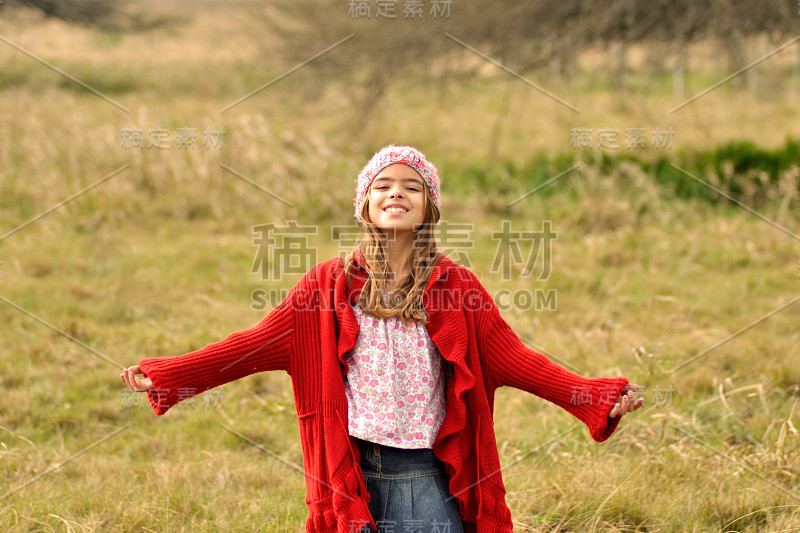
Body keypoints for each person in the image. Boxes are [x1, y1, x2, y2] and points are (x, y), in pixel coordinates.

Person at [121, 145, 643, 533]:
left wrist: (594, 397)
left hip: (422, 471)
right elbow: (251, 346)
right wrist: (172, 376)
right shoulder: (326, 286)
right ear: (365, 205)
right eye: (383, 185)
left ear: (429, 209)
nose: (397, 193)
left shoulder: (456, 287)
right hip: (346, 471)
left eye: (412, 187)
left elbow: (518, 361)